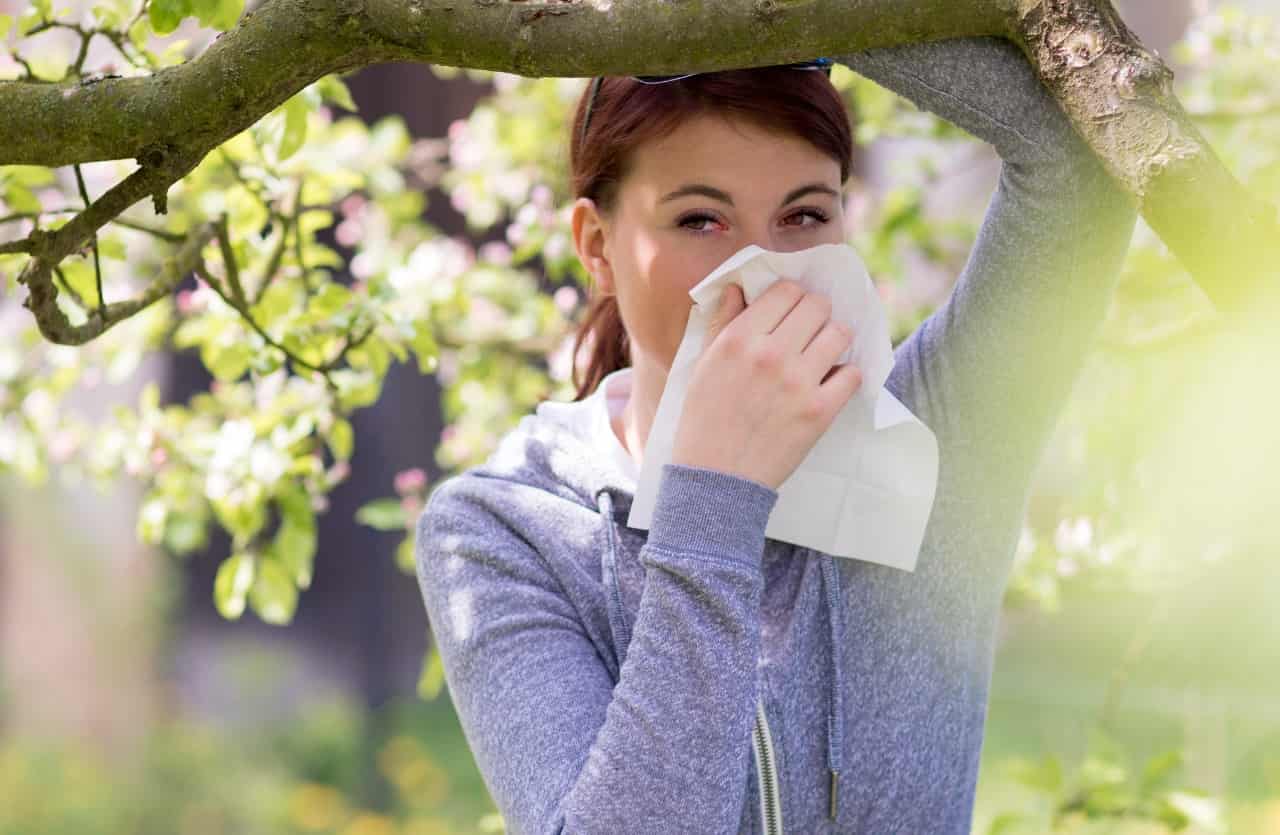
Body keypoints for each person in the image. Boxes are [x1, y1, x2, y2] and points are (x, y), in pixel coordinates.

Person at [414, 36, 1136, 834]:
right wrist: (716, 494)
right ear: (597, 246)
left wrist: (813, 17)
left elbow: (1088, 149)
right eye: (700, 219)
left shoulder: (934, 436)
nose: (760, 270)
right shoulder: (502, 528)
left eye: (803, 215)